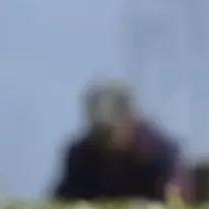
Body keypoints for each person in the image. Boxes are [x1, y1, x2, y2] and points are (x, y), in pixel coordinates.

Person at [54, 82, 187, 202]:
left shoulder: (157, 154)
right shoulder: (80, 155)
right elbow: (64, 199)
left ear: (129, 120)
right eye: (99, 130)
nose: (104, 138)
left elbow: (172, 201)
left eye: (109, 130)